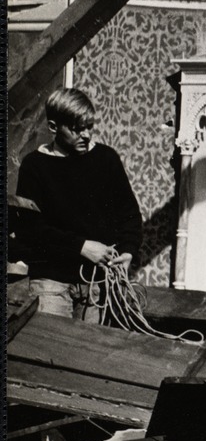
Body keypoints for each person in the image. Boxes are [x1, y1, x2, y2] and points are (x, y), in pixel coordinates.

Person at [14, 88, 142, 322]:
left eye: (89, 127)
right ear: (53, 127)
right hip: (50, 284)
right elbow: (30, 230)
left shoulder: (106, 159)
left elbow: (130, 215)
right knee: (51, 353)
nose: (86, 135)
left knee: (91, 356)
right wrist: (82, 247)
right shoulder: (34, 166)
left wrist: (128, 251)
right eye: (76, 129)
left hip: (97, 285)